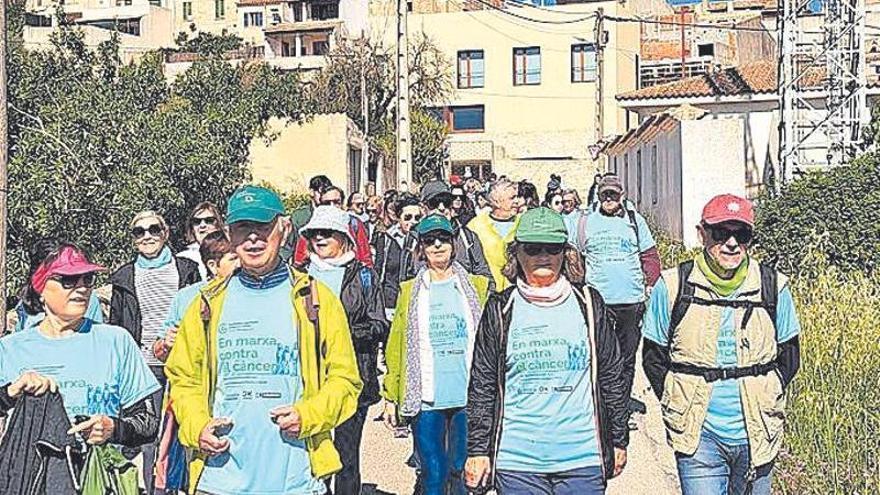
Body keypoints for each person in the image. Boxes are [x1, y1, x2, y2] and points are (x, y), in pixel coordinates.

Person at [165, 185, 362, 495]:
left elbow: (346, 381)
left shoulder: (315, 299)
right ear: (229, 234)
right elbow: (183, 380)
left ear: (283, 229)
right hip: (219, 481)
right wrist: (196, 427)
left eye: (262, 226)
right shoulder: (205, 304)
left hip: (296, 481)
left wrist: (308, 415)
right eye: (244, 227)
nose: (253, 237)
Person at [642, 194, 801, 495]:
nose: (731, 243)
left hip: (758, 429)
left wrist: (769, 390)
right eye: (721, 232)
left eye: (740, 234)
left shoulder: (773, 286)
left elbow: (790, 356)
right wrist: (677, 398)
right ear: (702, 234)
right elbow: (653, 356)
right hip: (698, 433)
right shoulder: (673, 286)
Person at [464, 207, 629, 495]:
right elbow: (483, 384)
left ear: (565, 253)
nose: (543, 256)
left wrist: (618, 439)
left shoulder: (588, 304)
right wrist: (478, 449)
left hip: (582, 459)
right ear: (517, 253)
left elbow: (612, 375)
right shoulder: (500, 309)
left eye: (552, 248)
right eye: (533, 248)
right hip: (517, 462)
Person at [0, 242, 160, 451]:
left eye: (88, 279)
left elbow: (148, 423)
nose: (82, 287)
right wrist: (10, 393)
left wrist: (112, 428)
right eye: (68, 280)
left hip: (97, 478)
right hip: (29, 479)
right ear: (40, 286)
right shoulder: (10, 349)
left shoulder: (116, 341)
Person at [383, 214, 491, 495]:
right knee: (432, 470)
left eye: (444, 238)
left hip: (468, 393)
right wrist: (390, 397)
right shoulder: (409, 291)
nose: (438, 245)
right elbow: (396, 346)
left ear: (454, 243)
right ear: (421, 248)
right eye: (430, 241)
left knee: (462, 469)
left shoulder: (477, 286)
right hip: (427, 396)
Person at [297, 206, 388, 495]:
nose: (320, 238)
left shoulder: (364, 276)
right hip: (307, 379)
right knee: (313, 454)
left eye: (327, 233)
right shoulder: (297, 276)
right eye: (314, 233)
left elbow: (379, 325)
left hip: (351, 377)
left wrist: (341, 333)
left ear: (344, 236)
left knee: (346, 456)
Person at [109, 210, 200, 493]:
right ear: (134, 239)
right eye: (139, 231)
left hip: (183, 361)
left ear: (166, 233)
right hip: (144, 365)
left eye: (153, 229)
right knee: (151, 434)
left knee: (187, 427)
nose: (147, 236)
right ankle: (153, 489)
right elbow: (117, 324)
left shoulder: (185, 269)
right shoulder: (125, 276)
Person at [578, 174, 661, 421]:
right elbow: (575, 259)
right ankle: (601, 406)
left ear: (622, 196)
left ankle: (621, 410)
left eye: (613, 194)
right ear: (598, 195)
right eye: (605, 194)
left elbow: (650, 255)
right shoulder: (585, 222)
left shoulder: (635, 221)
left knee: (626, 357)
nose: (609, 198)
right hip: (598, 301)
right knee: (600, 355)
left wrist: (650, 285)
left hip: (631, 301)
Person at [152, 231, 239, 363]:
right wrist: (166, 344)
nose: (240, 264)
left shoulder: (251, 293)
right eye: (234, 258)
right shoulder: (186, 297)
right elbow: (159, 352)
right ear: (213, 266)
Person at [398, 180, 492, 283]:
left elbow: (485, 278)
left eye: (446, 202)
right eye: (434, 203)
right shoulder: (413, 238)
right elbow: (404, 279)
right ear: (422, 208)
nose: (441, 208)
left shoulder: (467, 237)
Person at [292, 186, 374, 269]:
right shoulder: (312, 227)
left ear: (342, 203)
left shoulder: (353, 223)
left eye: (336, 202)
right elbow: (300, 257)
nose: (332, 206)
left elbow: (365, 256)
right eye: (327, 203)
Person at [374, 194, 423, 320]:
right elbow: (378, 270)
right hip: (390, 302)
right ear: (398, 218)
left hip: (415, 301)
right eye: (407, 217)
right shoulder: (385, 239)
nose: (413, 222)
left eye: (417, 218)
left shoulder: (423, 241)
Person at [467, 179, 520, 291]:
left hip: (519, 292)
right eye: (512, 198)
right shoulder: (475, 226)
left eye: (517, 197)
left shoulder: (524, 223)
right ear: (496, 202)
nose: (517, 201)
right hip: (489, 293)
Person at [284, 175, 334, 262]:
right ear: (311, 192)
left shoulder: (333, 214)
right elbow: (289, 245)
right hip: (303, 267)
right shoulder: (300, 216)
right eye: (321, 192)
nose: (324, 196)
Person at [178, 202, 224, 280]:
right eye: (197, 222)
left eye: (209, 220)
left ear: (218, 225)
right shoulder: (183, 259)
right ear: (192, 229)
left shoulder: (232, 253)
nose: (202, 225)